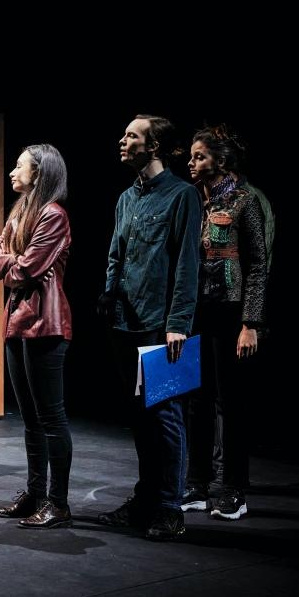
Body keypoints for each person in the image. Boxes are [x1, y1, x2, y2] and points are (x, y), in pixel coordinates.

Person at [97, 114, 202, 540]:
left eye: (132, 136)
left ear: (153, 146)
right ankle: (144, 499)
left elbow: (187, 265)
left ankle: (169, 506)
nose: (122, 141)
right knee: (139, 418)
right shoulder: (126, 197)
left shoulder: (182, 196)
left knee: (166, 417)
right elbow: (115, 254)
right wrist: (108, 292)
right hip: (125, 322)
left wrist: (179, 322)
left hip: (161, 325)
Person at [182, 125, 267, 521]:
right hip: (197, 309)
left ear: (220, 160)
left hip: (230, 310)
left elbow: (257, 264)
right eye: (192, 156)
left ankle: (232, 488)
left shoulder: (244, 201)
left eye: (200, 156)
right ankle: (196, 484)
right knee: (195, 399)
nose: (192, 162)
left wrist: (251, 322)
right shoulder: (192, 201)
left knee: (229, 401)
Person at [0, 145, 74, 528]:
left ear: (38, 173)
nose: (12, 172)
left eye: (19, 166)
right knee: (29, 419)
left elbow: (27, 270)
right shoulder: (20, 212)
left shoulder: (53, 215)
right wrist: (13, 265)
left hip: (46, 323)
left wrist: (13, 265)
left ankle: (58, 502)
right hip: (17, 322)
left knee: (50, 417)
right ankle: (35, 493)